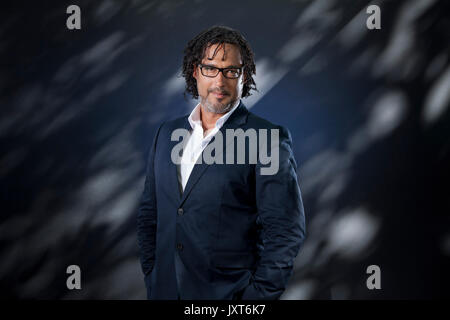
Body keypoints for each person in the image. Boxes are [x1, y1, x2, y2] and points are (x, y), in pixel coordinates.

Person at [137, 25, 305, 300]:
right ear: (195, 71)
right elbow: (149, 213)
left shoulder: (267, 139)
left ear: (244, 76)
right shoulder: (166, 134)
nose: (220, 81)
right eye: (210, 68)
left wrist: (254, 301)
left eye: (231, 71)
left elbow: (286, 231)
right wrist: (152, 274)